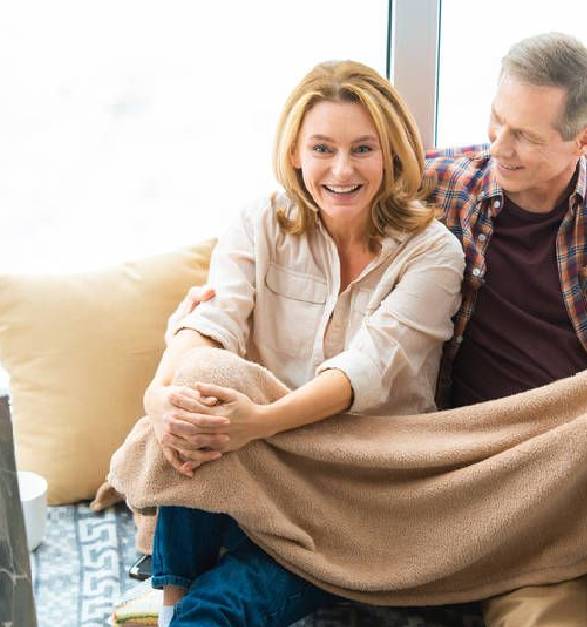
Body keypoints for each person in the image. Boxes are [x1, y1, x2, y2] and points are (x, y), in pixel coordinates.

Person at [154, 32, 587, 627]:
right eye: (496, 120)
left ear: (583, 140)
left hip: (568, 442)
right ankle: (171, 591)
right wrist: (186, 339)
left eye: (525, 136)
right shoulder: (448, 180)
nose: (499, 147)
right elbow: (338, 193)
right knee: (204, 380)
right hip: (456, 446)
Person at [139, 60, 466, 627]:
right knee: (199, 383)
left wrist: (258, 422)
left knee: (218, 609)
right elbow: (212, 320)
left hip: (353, 497)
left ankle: (182, 607)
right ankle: (170, 600)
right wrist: (156, 398)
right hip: (261, 472)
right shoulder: (259, 222)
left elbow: (366, 367)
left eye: (362, 149)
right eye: (322, 148)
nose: (341, 170)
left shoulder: (433, 253)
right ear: (295, 152)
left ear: (391, 154)